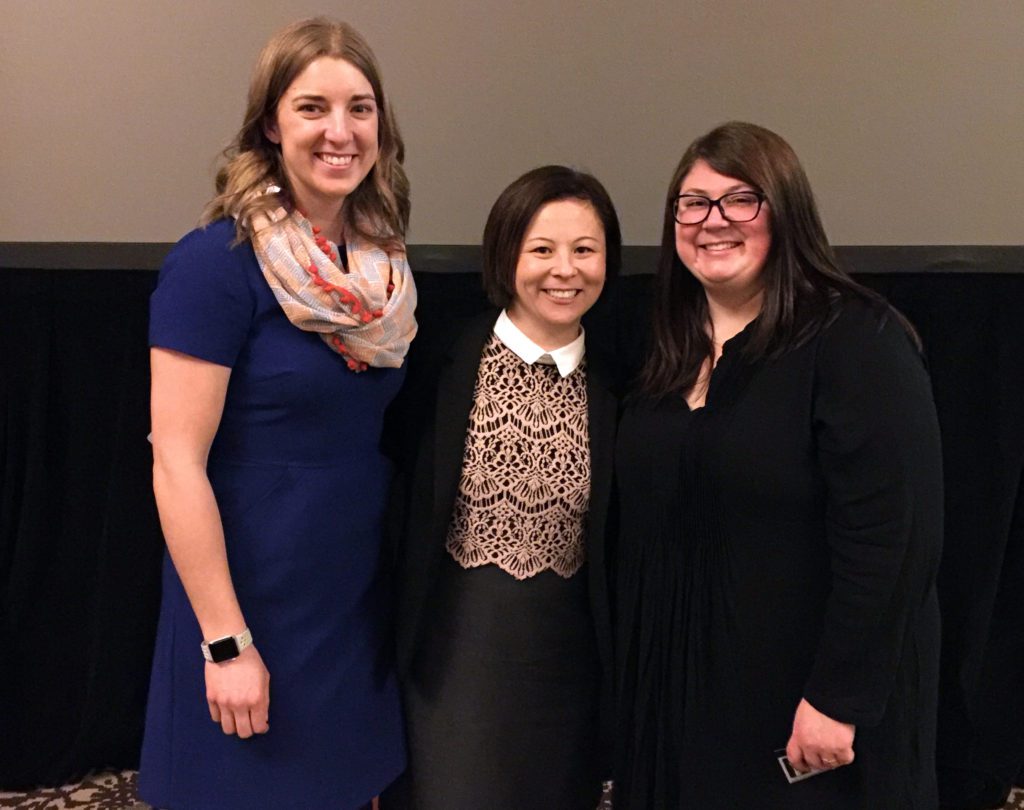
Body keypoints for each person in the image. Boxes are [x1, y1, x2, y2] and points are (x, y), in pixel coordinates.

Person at [613, 122, 942, 809]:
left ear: (786, 212)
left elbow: (895, 537)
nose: (714, 222)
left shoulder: (858, 340)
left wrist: (838, 697)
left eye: (741, 201)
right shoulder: (665, 349)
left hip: (805, 717)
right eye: (693, 203)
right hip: (686, 709)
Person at [138, 18, 416, 810]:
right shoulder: (213, 264)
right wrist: (226, 642)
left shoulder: (379, 267)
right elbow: (175, 463)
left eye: (360, 109)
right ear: (270, 123)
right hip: (248, 599)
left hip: (349, 601)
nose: (341, 131)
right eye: (312, 108)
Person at [381, 166, 621, 809]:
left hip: (567, 669)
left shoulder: (625, 382)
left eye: (585, 250)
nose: (563, 270)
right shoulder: (439, 361)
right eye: (541, 249)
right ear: (505, 253)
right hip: (452, 660)